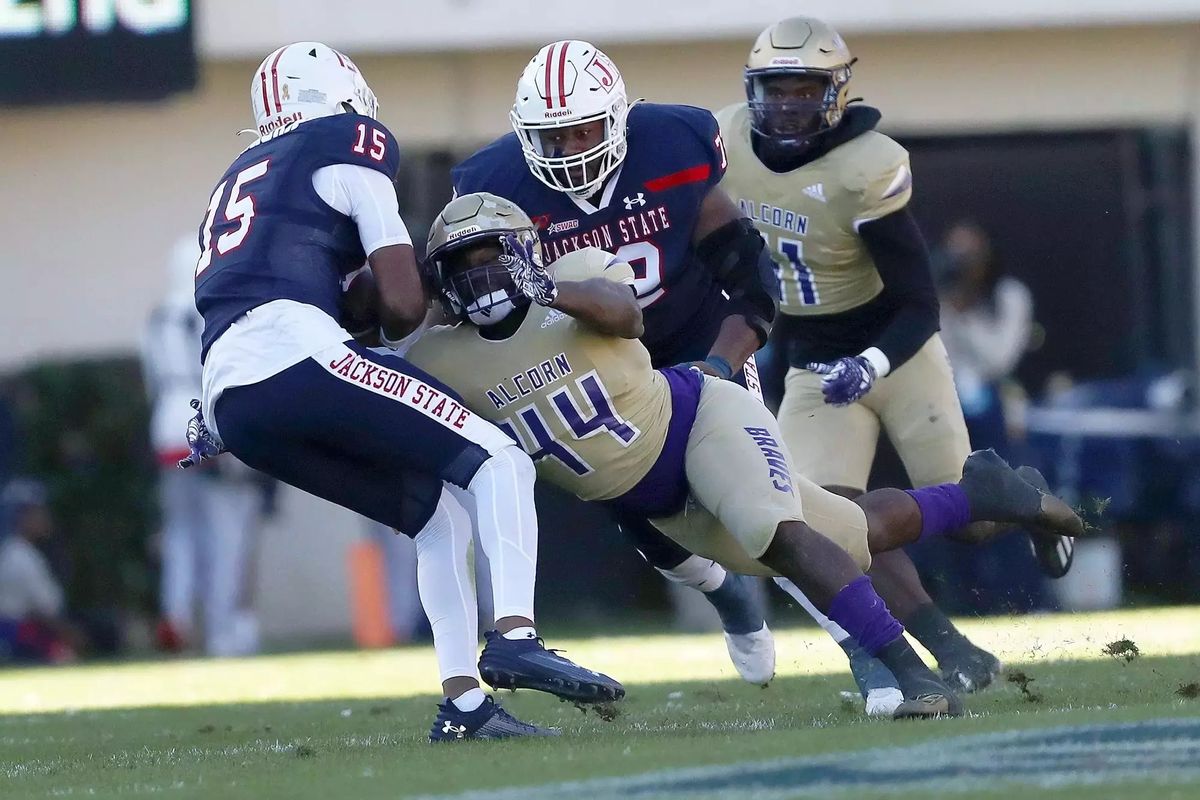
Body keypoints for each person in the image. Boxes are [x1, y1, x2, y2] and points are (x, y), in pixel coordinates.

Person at [405, 192, 1086, 720]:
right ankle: (990, 493)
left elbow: (625, 314)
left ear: (528, 250)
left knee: (781, 535)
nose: (485, 275)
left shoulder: (578, 275)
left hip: (700, 419)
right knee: (858, 536)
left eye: (494, 254)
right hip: (661, 503)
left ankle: (910, 673)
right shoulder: (440, 358)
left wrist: (545, 287)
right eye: (464, 265)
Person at [179, 42, 620, 742]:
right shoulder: (350, 139)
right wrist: (433, 291)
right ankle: (514, 633)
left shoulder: (243, 175)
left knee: (438, 515)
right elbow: (403, 306)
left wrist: (361, 309)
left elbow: (309, 292)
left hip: (231, 399)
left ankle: (465, 707)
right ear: (347, 101)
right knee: (497, 459)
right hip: (294, 352)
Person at [714, 16, 1075, 700]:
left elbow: (919, 305)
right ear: (752, 90)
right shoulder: (726, 138)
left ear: (835, 92)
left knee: (972, 524)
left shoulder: (865, 166)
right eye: (776, 88)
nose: (788, 104)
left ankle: (1022, 498)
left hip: (897, 354)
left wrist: (873, 364)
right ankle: (950, 648)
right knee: (829, 529)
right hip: (816, 363)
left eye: (804, 89)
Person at [452, 40, 780, 685]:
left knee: (766, 500)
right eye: (552, 136)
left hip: (690, 338)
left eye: (584, 127)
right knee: (637, 507)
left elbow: (748, 276)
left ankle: (863, 643)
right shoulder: (494, 183)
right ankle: (725, 594)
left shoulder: (673, 142)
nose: (572, 147)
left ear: (618, 118)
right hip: (593, 360)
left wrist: (719, 364)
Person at [143, 236, 266, 656]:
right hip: (204, 423)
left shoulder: (156, 319)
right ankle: (221, 631)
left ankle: (175, 614)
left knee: (180, 533)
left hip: (164, 429)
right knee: (225, 533)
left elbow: (150, 379)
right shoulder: (204, 310)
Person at [0, 479, 77, 663]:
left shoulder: (15, 550)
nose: (46, 517)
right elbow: (47, 614)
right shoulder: (19, 555)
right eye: (39, 512)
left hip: (18, 632)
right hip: (18, 636)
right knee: (66, 656)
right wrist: (76, 637)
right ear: (22, 517)